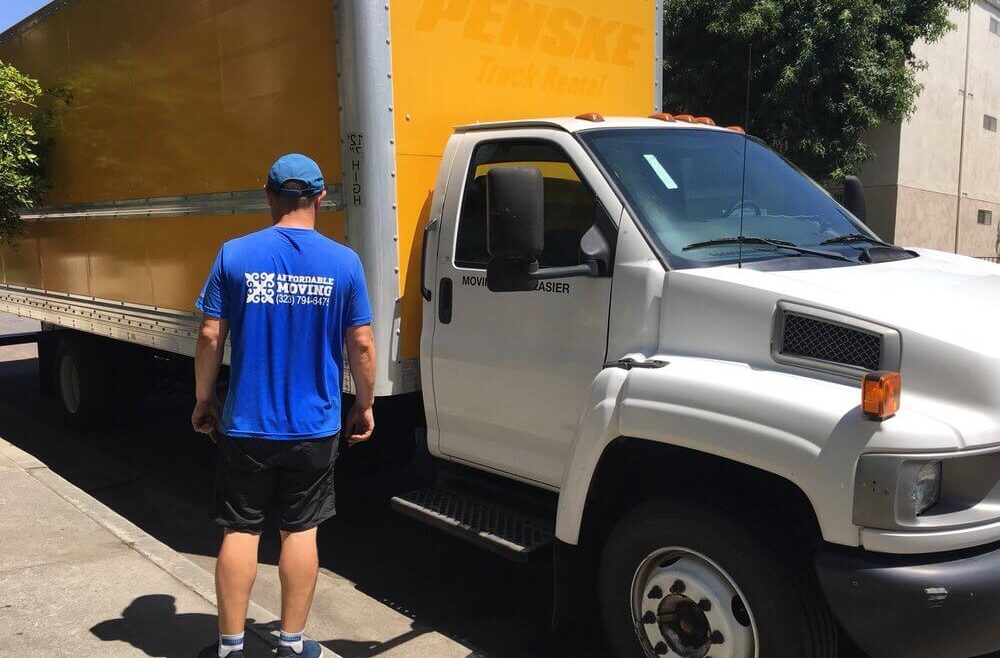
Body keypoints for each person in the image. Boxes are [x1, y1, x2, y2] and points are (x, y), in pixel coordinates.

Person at [191, 153, 376, 658]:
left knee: (240, 530)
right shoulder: (345, 262)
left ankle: (231, 648)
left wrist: (205, 398)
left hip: (247, 423)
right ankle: (291, 645)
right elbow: (361, 343)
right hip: (314, 427)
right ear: (321, 198)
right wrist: (364, 404)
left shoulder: (234, 254)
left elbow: (209, 335)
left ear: (269, 195)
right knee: (300, 531)